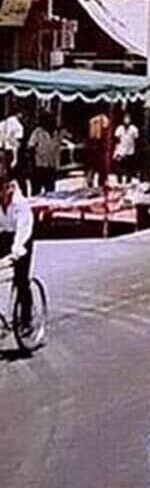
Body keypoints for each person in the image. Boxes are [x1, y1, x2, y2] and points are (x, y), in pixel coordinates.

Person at [0, 173, 35, 334]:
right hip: (4, 235)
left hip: (22, 238)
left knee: (21, 279)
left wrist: (15, 251)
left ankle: (26, 319)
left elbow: (23, 230)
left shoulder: (21, 205)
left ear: (10, 188)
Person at [28, 118, 60, 196]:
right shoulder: (38, 132)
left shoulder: (55, 133)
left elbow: (57, 151)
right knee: (36, 190)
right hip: (39, 165)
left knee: (50, 191)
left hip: (51, 165)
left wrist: (57, 166)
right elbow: (30, 145)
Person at [113, 112, 139, 184]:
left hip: (130, 150)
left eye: (128, 118)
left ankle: (128, 180)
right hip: (121, 150)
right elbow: (116, 139)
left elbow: (136, 139)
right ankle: (119, 181)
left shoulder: (134, 129)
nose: (126, 120)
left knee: (129, 167)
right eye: (125, 118)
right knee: (119, 166)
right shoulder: (119, 128)